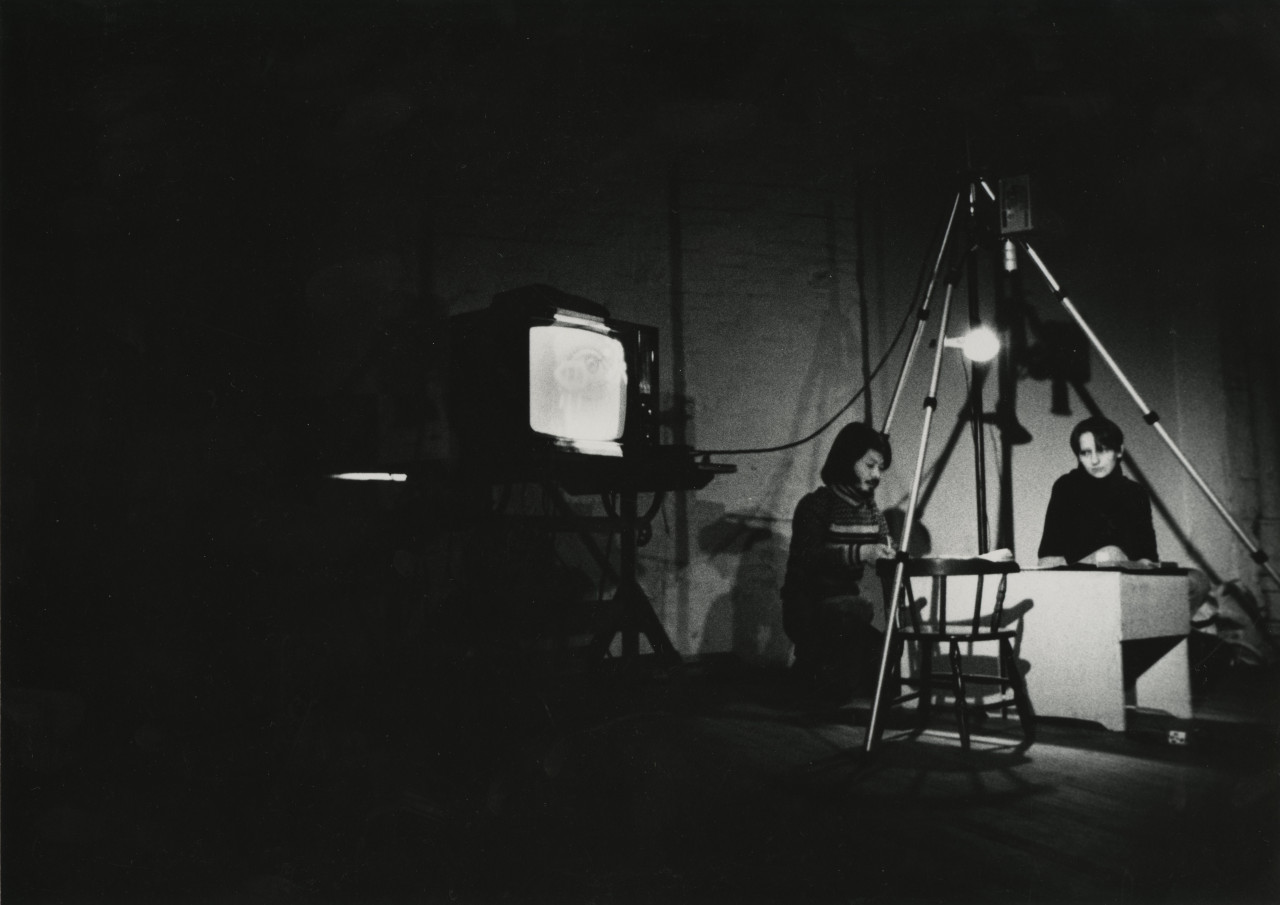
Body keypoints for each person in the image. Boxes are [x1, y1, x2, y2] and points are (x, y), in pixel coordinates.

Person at [781, 422, 896, 699]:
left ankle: (820, 685)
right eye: (870, 465)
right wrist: (863, 553)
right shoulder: (818, 504)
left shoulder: (872, 511)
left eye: (880, 468)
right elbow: (811, 557)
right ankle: (812, 681)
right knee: (852, 616)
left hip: (846, 606)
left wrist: (891, 554)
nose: (876, 475)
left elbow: (885, 545)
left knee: (885, 651)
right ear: (847, 461)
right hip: (808, 604)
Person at [1037, 415, 1158, 568]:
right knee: (1110, 554)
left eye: (1102, 450)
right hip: (1076, 578)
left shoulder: (1135, 492)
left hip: (1128, 577)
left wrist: (1125, 563)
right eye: (1086, 453)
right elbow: (1046, 561)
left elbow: (1148, 559)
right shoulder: (1066, 487)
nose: (1094, 460)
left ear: (1119, 451)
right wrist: (1102, 558)